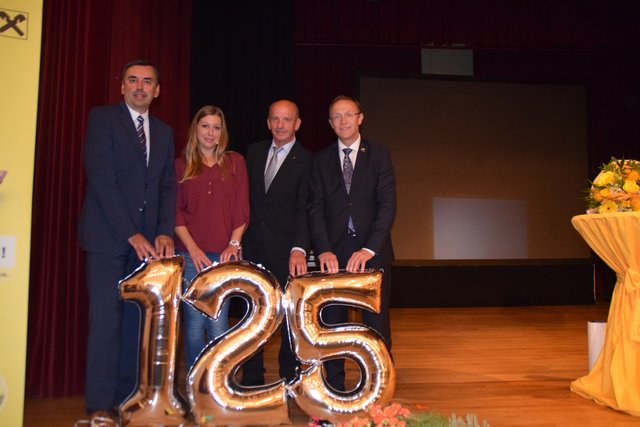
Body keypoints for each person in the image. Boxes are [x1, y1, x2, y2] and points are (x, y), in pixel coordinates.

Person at [78, 59, 176, 423]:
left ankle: (125, 401)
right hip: (107, 239)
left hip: (148, 245)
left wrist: (164, 230)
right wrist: (130, 233)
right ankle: (100, 406)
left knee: (136, 324)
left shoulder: (164, 132)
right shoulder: (102, 120)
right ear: (121, 86)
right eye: (133, 80)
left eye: (147, 81)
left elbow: (166, 186)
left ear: (157, 90)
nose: (140, 87)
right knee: (105, 321)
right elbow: (102, 181)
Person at [308, 95, 397, 391]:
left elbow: (387, 205)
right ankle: (335, 387)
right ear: (330, 124)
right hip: (332, 256)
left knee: (376, 326)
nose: (343, 120)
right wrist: (323, 249)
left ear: (360, 118)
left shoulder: (380, 154)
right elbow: (315, 208)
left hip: (372, 255)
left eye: (348, 114)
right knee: (332, 324)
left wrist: (369, 248)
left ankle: (378, 385)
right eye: (337, 116)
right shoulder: (319, 160)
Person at [241, 99, 312, 385]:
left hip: (287, 252)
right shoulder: (254, 152)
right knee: (254, 313)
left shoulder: (308, 159)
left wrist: (299, 249)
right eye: (275, 119)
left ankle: (288, 375)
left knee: (286, 316)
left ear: (297, 124)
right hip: (254, 247)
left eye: (287, 119)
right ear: (268, 122)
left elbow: (305, 209)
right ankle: (252, 375)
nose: (280, 125)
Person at [175, 105, 249, 370]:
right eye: (205, 126)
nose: (210, 132)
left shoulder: (235, 162)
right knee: (194, 328)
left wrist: (234, 243)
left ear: (222, 133)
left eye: (216, 127)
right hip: (191, 256)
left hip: (224, 255)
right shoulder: (181, 165)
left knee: (218, 325)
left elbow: (242, 208)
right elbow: (176, 214)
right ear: (196, 129)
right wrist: (193, 251)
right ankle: (198, 389)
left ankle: (218, 384)